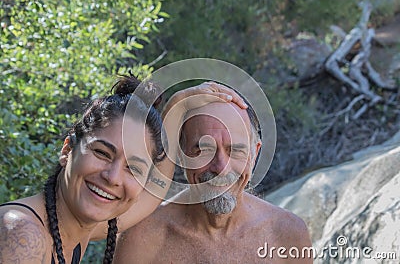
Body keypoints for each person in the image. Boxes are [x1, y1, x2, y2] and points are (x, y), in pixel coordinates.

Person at [0, 76, 245, 264]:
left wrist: (176, 108)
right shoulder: (22, 234)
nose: (113, 177)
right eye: (102, 153)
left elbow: (151, 195)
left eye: (134, 169)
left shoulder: (74, 227)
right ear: (67, 150)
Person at [114, 86, 313, 263]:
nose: (221, 168)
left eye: (235, 151)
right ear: (181, 156)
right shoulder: (144, 237)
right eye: (204, 150)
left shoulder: (287, 234)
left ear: (254, 155)